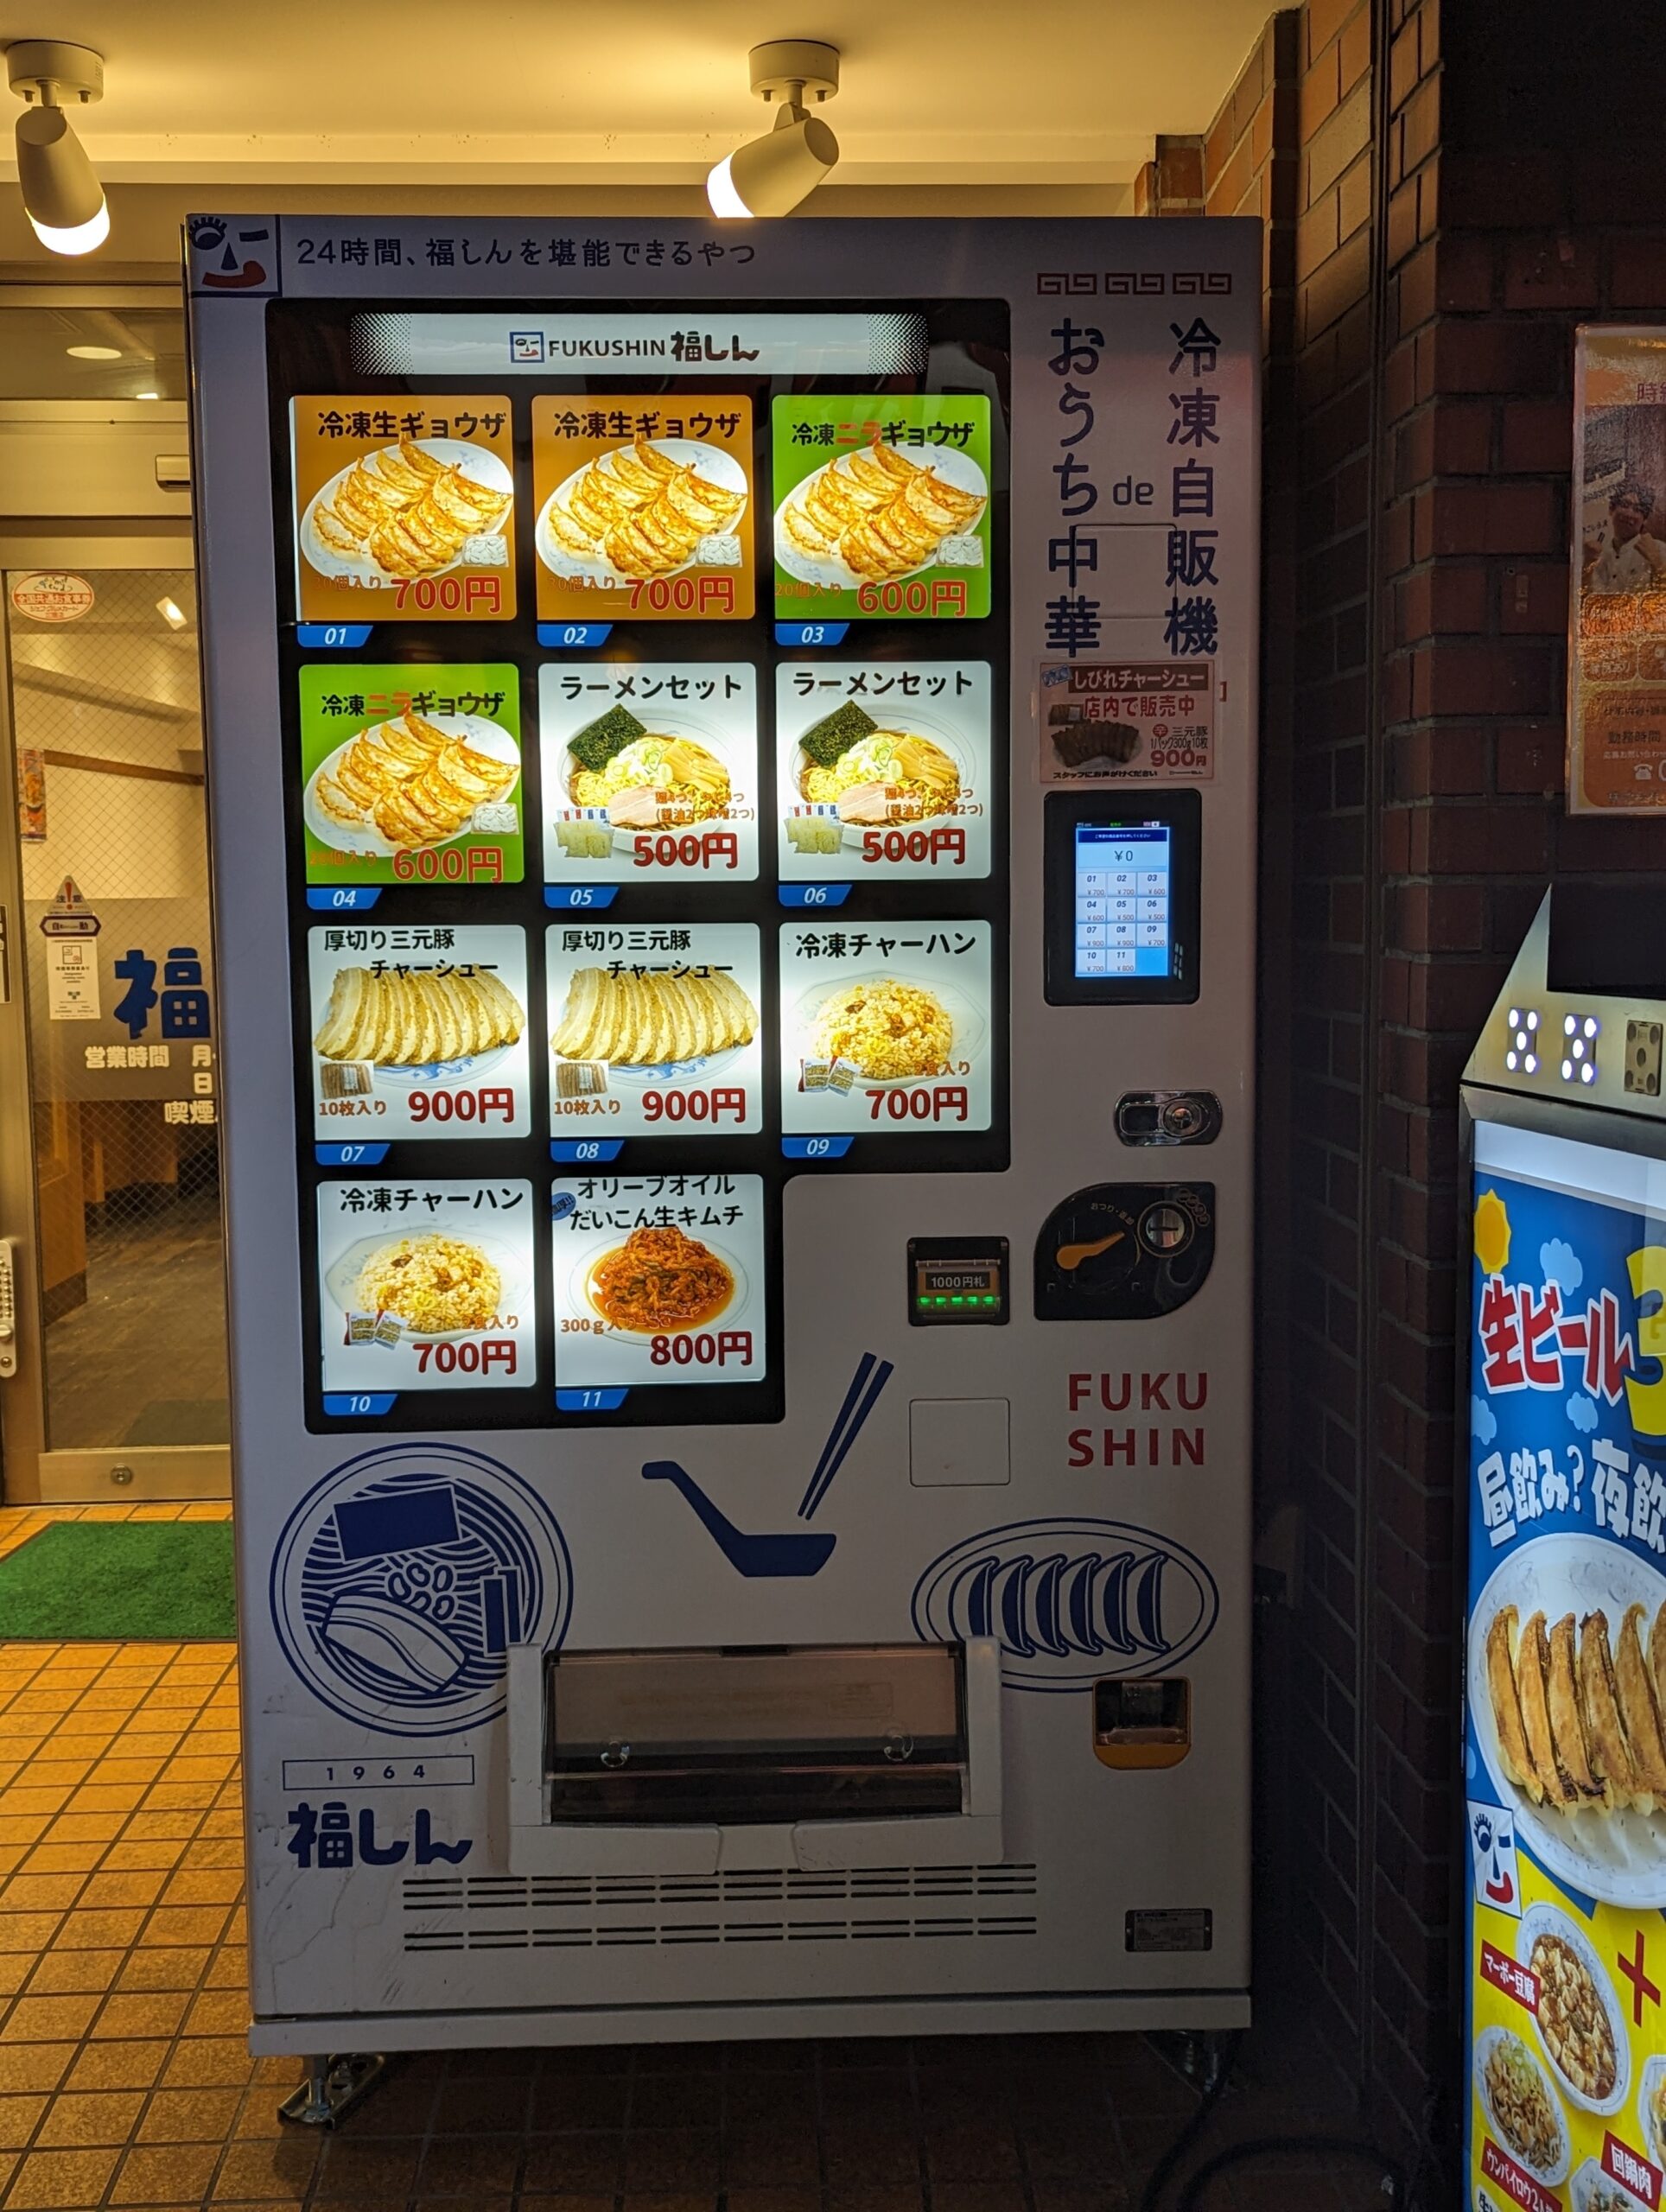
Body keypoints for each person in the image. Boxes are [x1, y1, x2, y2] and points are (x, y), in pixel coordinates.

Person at [1584, 477, 1666, 593]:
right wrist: (1587, 563)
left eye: (1637, 510)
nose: (1629, 514)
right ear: (1611, 509)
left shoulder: (1660, 549)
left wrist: (1656, 561)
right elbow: (1587, 597)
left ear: (1645, 519)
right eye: (1624, 505)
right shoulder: (1598, 554)